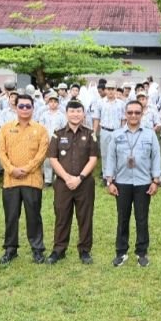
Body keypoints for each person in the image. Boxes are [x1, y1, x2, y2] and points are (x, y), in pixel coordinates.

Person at [104, 100, 161, 267]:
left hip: (143, 183)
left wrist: (155, 180)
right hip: (122, 183)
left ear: (142, 114)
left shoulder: (150, 134)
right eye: (130, 112)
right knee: (122, 218)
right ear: (125, 114)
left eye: (137, 112)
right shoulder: (116, 135)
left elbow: (156, 157)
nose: (133, 115)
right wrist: (110, 181)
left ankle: (141, 252)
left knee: (142, 219)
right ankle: (121, 252)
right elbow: (111, 158)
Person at [0, 94, 50, 265]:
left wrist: (26, 169)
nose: (24, 109)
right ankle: (10, 249)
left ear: (33, 108)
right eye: (21, 106)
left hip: (32, 180)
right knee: (11, 216)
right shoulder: (5, 129)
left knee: (33, 216)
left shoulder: (41, 129)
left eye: (28, 106)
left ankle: (37, 249)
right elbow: (0, 152)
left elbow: (42, 154)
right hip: (10, 180)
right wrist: (12, 169)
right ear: (15, 108)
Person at [47, 100, 100, 265]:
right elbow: (53, 158)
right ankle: (59, 250)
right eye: (72, 111)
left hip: (84, 184)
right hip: (63, 184)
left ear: (83, 114)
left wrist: (79, 178)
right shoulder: (58, 134)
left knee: (85, 217)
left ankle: (85, 250)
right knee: (62, 216)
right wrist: (67, 178)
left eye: (78, 111)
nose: (75, 114)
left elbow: (93, 158)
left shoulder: (90, 134)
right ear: (67, 113)